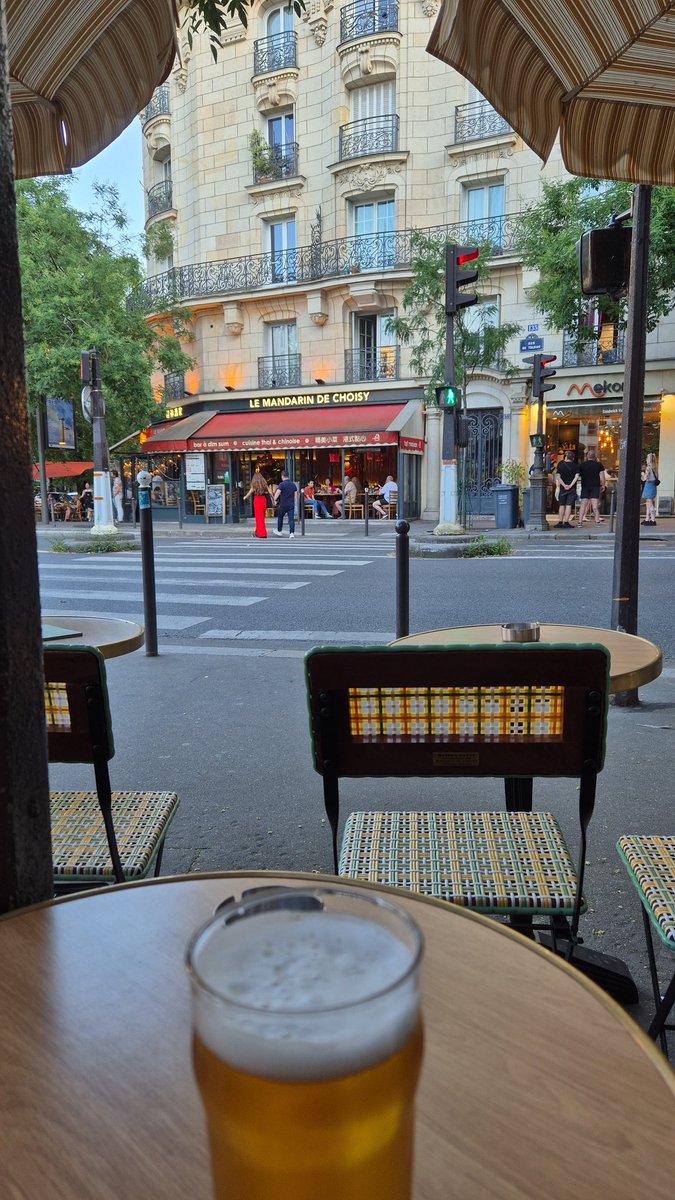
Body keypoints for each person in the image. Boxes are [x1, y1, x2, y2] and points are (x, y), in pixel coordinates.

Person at [577, 449, 606, 526]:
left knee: (583, 504)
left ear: (587, 456)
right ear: (595, 456)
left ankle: (580, 522)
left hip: (585, 486)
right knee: (595, 505)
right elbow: (602, 476)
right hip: (595, 486)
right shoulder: (599, 465)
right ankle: (597, 521)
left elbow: (578, 475)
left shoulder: (582, 465)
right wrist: (603, 485)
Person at [554, 452, 579, 528]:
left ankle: (560, 522)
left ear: (566, 457)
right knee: (569, 505)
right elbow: (576, 477)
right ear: (573, 458)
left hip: (563, 488)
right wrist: (570, 485)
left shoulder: (561, 466)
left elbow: (558, 477)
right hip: (572, 489)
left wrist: (564, 485)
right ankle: (566, 522)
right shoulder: (576, 466)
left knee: (561, 505)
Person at [244, 471, 272, 539]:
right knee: (262, 517)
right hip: (263, 500)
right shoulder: (264, 484)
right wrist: (273, 499)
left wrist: (244, 497)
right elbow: (270, 492)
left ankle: (262, 533)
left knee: (259, 518)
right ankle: (257, 532)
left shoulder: (254, 485)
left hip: (257, 500)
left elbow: (249, 493)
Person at [274, 470, 297, 538]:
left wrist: (274, 499)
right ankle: (291, 533)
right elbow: (296, 496)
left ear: (282, 476)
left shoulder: (281, 484)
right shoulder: (293, 485)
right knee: (291, 519)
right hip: (291, 504)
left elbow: (277, 493)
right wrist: (293, 501)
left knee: (280, 517)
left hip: (283, 504)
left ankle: (279, 531)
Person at [641, 453, 659, 525]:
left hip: (649, 486)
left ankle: (653, 520)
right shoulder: (655, 468)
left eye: (647, 458)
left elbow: (645, 478)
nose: (646, 459)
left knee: (650, 503)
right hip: (653, 486)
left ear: (649, 460)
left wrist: (642, 474)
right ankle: (647, 518)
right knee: (648, 503)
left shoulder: (648, 468)